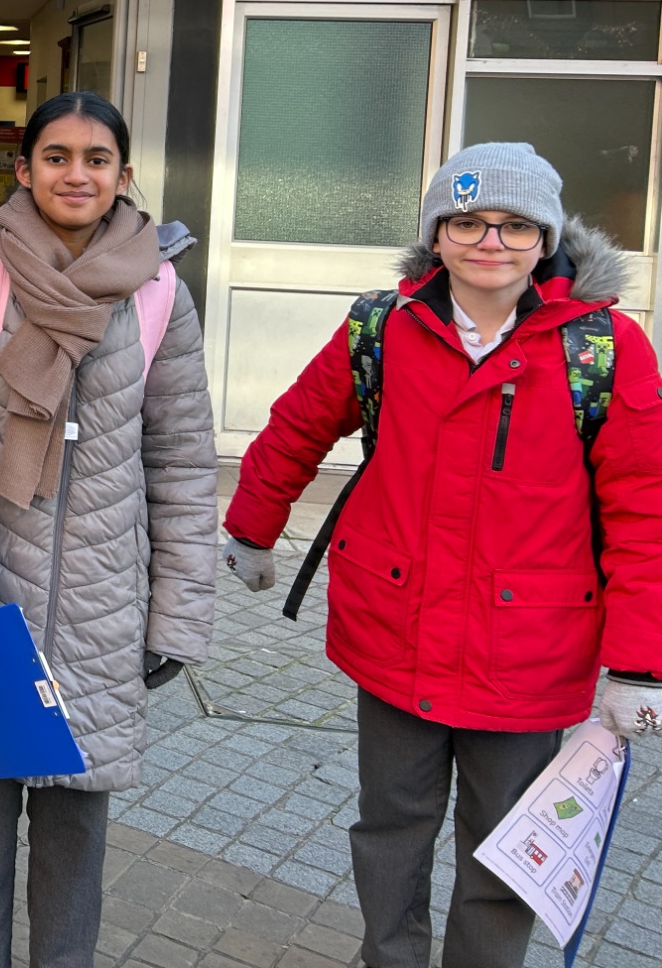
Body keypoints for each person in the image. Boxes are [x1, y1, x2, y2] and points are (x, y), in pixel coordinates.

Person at [223, 143, 662, 968]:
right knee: (389, 828)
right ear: (438, 233)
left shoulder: (602, 351)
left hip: (529, 655)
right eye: (467, 221)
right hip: (394, 633)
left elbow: (646, 507)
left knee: (505, 849)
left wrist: (639, 661)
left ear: (546, 238)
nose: (489, 240)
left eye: (515, 225)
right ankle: (388, 958)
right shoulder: (382, 328)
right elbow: (299, 424)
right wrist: (252, 524)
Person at [0, 90, 218, 968]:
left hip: (104, 607)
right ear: (26, 166)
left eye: (97, 159)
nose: (77, 174)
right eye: (57, 156)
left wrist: (178, 616)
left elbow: (184, 465)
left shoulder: (157, 292)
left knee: (77, 840)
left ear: (122, 173)